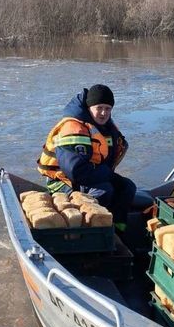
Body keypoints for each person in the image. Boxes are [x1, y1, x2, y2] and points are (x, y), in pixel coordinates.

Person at [37, 84, 136, 231]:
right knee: (104, 191)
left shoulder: (105, 127)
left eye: (108, 108)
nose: (103, 113)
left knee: (127, 187)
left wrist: (108, 175)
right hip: (62, 181)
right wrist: (107, 176)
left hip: (93, 175)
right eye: (99, 108)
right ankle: (89, 230)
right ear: (89, 108)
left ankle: (117, 229)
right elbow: (76, 171)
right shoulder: (73, 128)